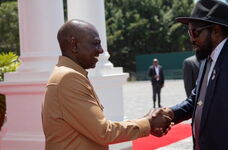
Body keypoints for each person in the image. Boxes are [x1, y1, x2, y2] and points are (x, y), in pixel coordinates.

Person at [153, 0, 228, 149]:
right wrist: (171, 113)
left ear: (216, 30)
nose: (191, 39)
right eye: (189, 32)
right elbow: (196, 100)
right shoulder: (207, 57)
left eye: (195, 32)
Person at [41, 19, 171, 150]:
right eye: (95, 44)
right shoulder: (68, 78)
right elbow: (104, 132)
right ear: (74, 45)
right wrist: (148, 123)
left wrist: (145, 121)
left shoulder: (67, 74)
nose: (101, 50)